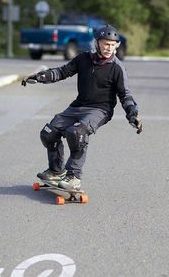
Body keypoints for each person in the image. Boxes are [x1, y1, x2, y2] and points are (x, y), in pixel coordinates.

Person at [21, 25, 142, 191]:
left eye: (112, 44)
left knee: (77, 133)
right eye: (106, 44)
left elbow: (125, 95)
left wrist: (132, 113)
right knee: (49, 133)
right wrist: (41, 76)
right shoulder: (83, 59)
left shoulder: (117, 68)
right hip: (78, 106)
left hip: (100, 110)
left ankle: (73, 177)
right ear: (97, 43)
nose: (109, 48)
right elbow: (62, 72)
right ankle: (56, 171)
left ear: (117, 45)